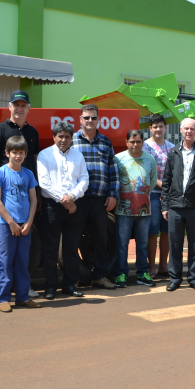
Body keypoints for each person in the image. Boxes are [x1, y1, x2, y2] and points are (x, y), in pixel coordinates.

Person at [0, 90, 41, 300]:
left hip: (25, 201)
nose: (19, 108)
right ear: (9, 107)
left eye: (23, 105)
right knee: (1, 252)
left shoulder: (33, 133)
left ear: (28, 108)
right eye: (15, 105)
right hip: (4, 202)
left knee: (22, 254)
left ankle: (23, 291)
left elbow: (34, 164)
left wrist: (36, 196)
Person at [161, 118, 195, 292]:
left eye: (192, 129)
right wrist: (165, 206)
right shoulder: (173, 152)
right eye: (186, 128)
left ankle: (193, 278)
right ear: (181, 131)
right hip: (175, 206)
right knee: (175, 243)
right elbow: (167, 180)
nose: (189, 131)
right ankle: (175, 278)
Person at [37, 121, 89, 300]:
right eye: (60, 136)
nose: (64, 140)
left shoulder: (78, 156)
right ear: (54, 137)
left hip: (75, 207)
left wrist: (73, 197)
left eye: (67, 136)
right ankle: (50, 287)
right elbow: (44, 182)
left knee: (71, 248)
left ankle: (70, 285)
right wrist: (65, 200)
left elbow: (84, 179)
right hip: (53, 207)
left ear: (71, 138)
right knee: (50, 248)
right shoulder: (44, 155)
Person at [0, 135, 40, 312]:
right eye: (14, 152)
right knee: (5, 261)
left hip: (24, 225)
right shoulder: (0, 173)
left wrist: (29, 222)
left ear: (26, 154)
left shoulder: (28, 174)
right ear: (7, 153)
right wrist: (10, 222)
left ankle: (22, 297)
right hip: (6, 225)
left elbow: (33, 200)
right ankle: (3, 298)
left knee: (22, 262)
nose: (17, 156)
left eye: (21, 153)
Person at [73, 103, 118, 289]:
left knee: (101, 238)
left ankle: (100, 276)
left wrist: (113, 194)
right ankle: (72, 278)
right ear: (80, 119)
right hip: (78, 200)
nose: (90, 120)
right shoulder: (72, 140)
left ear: (98, 120)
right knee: (73, 238)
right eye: (86, 117)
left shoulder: (105, 142)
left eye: (93, 117)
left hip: (100, 199)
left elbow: (113, 170)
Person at [115, 130, 158, 288]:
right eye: (132, 141)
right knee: (122, 243)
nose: (135, 144)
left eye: (138, 141)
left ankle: (142, 273)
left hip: (144, 210)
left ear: (143, 143)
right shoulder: (118, 159)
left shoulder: (149, 159)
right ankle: (121, 273)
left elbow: (152, 181)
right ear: (126, 142)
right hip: (123, 210)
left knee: (143, 243)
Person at [143, 114, 174, 278]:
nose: (158, 129)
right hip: (153, 195)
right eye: (155, 127)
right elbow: (147, 173)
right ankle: (151, 267)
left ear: (165, 128)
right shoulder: (145, 147)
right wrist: (165, 187)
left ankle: (163, 266)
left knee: (167, 231)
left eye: (161, 126)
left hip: (169, 197)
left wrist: (169, 190)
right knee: (153, 231)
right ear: (150, 129)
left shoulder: (172, 147)